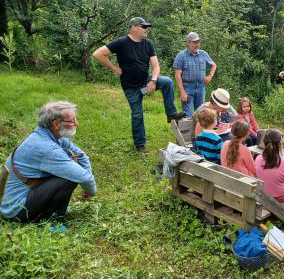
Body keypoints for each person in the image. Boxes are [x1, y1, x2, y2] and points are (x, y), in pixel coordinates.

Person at [92, 17, 185, 153]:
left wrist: (153, 81)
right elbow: (98, 54)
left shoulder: (148, 44)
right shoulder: (122, 42)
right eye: (143, 26)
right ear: (133, 27)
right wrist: (114, 68)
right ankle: (140, 145)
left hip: (145, 83)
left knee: (166, 82)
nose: (146, 29)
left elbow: (156, 66)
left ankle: (170, 114)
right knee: (137, 115)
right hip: (132, 88)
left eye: (147, 27)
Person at [0, 101, 96, 227]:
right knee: (69, 177)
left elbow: (82, 156)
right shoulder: (45, 148)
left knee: (70, 172)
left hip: (18, 199)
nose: (76, 123)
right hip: (16, 210)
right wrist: (91, 192)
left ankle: (51, 209)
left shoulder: (51, 136)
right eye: (72, 121)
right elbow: (83, 177)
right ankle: (50, 220)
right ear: (56, 124)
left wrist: (87, 185)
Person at [173, 32, 217, 118]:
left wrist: (210, 76)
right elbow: (177, 75)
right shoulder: (181, 56)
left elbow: (214, 65)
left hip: (201, 87)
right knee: (188, 115)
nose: (197, 44)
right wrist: (182, 92)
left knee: (201, 115)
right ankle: (188, 131)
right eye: (194, 42)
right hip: (187, 88)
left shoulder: (203, 54)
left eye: (198, 42)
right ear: (188, 43)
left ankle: (198, 131)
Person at [255, 130, 284, 203]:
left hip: (263, 195)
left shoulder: (258, 158)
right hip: (281, 198)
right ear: (280, 144)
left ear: (264, 144)